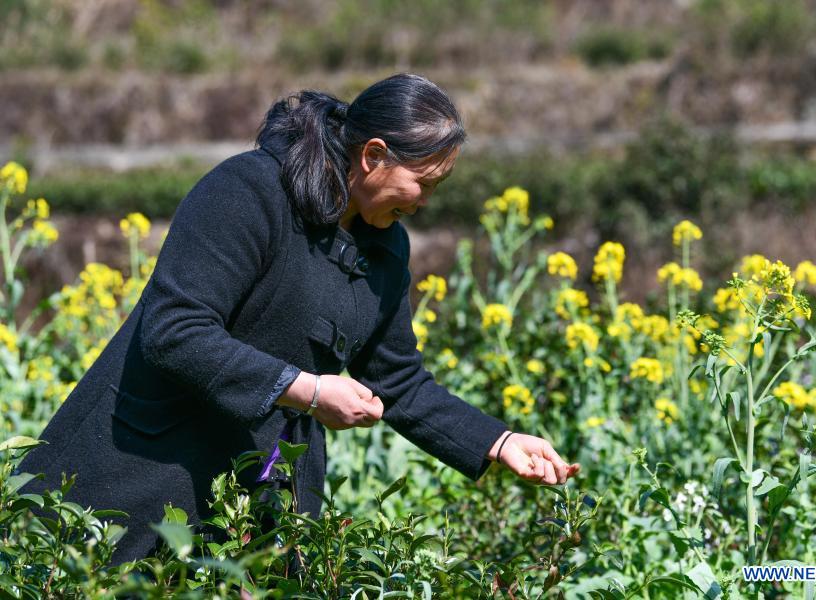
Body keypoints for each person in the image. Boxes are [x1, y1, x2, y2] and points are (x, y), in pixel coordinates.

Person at [18, 73, 580, 565]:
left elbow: (398, 379)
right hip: (141, 477)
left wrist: (498, 441)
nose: (426, 202)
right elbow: (175, 330)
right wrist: (307, 389)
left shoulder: (385, 246)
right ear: (374, 155)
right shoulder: (250, 192)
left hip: (258, 500)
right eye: (424, 183)